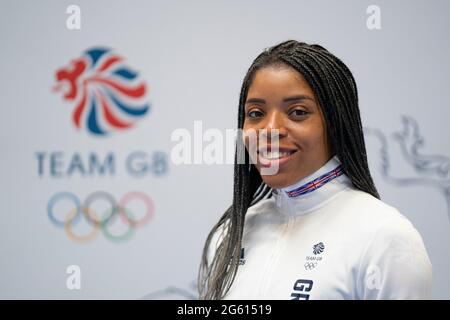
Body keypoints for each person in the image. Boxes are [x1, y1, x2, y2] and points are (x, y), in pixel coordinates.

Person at [197, 40, 432, 300]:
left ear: (335, 124)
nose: (270, 130)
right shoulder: (229, 235)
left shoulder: (385, 237)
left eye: (297, 112)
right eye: (256, 113)